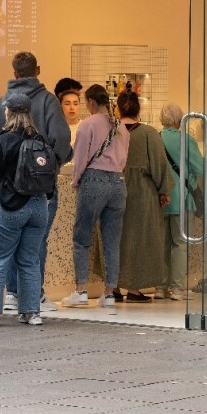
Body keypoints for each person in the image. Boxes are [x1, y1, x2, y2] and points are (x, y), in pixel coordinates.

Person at [0, 53, 72, 315]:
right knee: (36, 244)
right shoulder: (48, 102)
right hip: (40, 188)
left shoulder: (3, 102)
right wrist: (51, 166)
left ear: (15, 74)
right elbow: (61, 138)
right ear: (38, 70)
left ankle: (11, 293)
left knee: (7, 244)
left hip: (8, 189)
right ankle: (34, 298)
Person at [0, 92, 51, 327]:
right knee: (29, 261)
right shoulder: (41, 141)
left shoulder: (2, 141)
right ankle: (31, 312)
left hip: (10, 207)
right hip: (38, 207)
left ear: (8, 112)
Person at [61, 84, 130, 308]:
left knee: (82, 238)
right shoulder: (121, 127)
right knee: (112, 241)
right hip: (118, 183)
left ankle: (81, 290)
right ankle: (109, 293)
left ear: (90, 102)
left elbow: (80, 158)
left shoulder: (87, 125)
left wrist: (75, 180)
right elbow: (124, 159)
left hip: (94, 181)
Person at [115, 90, 171, 302]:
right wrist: (164, 190)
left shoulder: (112, 131)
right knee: (138, 238)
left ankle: (113, 287)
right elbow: (159, 165)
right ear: (140, 109)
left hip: (114, 188)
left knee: (115, 237)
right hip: (142, 193)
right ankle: (134, 288)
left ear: (118, 108)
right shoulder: (148, 133)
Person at [159, 102, 203, 300]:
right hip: (182, 199)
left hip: (161, 200)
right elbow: (201, 169)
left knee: (163, 244)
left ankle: (160, 288)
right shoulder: (186, 140)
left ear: (162, 120)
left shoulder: (156, 138)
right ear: (180, 120)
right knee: (180, 244)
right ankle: (176, 288)